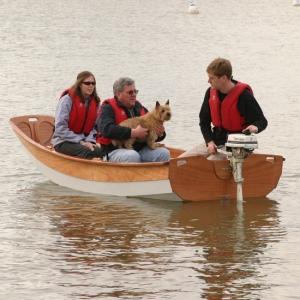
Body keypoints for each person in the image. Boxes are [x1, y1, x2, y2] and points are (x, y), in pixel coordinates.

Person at [181, 57, 268, 158]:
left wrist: (255, 127)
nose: (208, 81)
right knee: (180, 162)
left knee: (210, 164)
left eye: (212, 78)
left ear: (224, 78)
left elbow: (262, 121)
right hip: (215, 143)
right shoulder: (210, 93)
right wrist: (209, 142)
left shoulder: (244, 96)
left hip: (236, 148)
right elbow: (204, 122)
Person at [96, 77, 170, 163]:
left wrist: (161, 133)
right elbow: (106, 129)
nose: (134, 94)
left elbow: (152, 136)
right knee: (132, 156)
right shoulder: (107, 107)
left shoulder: (139, 107)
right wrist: (132, 133)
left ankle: (153, 176)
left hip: (139, 149)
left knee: (164, 153)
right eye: (130, 92)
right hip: (114, 149)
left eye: (135, 91)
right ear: (118, 94)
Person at [52, 71, 104, 159]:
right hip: (63, 141)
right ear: (79, 84)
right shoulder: (67, 100)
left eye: (93, 83)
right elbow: (60, 128)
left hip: (86, 140)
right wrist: (81, 141)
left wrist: (90, 141)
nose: (91, 86)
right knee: (89, 151)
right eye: (87, 83)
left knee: (104, 150)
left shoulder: (95, 102)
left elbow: (95, 128)